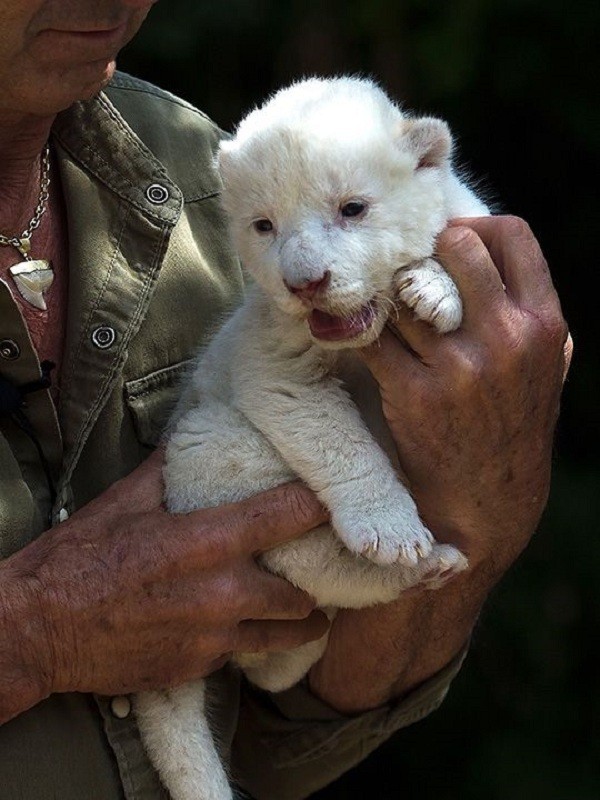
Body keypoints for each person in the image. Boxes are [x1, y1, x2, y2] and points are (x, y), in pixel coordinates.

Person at [0, 1, 571, 798]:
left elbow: (289, 730)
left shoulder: (203, 162)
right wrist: (31, 635)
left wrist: (483, 503)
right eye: (269, 229)